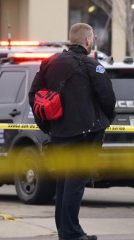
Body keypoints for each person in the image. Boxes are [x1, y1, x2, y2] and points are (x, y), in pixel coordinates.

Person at [28, 23, 115, 240]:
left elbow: (34, 96)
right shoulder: (93, 66)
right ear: (87, 41)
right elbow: (108, 99)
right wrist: (103, 122)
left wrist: (47, 127)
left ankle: (64, 230)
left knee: (64, 183)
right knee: (75, 184)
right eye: (92, 38)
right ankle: (72, 233)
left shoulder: (49, 63)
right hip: (84, 137)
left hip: (58, 136)